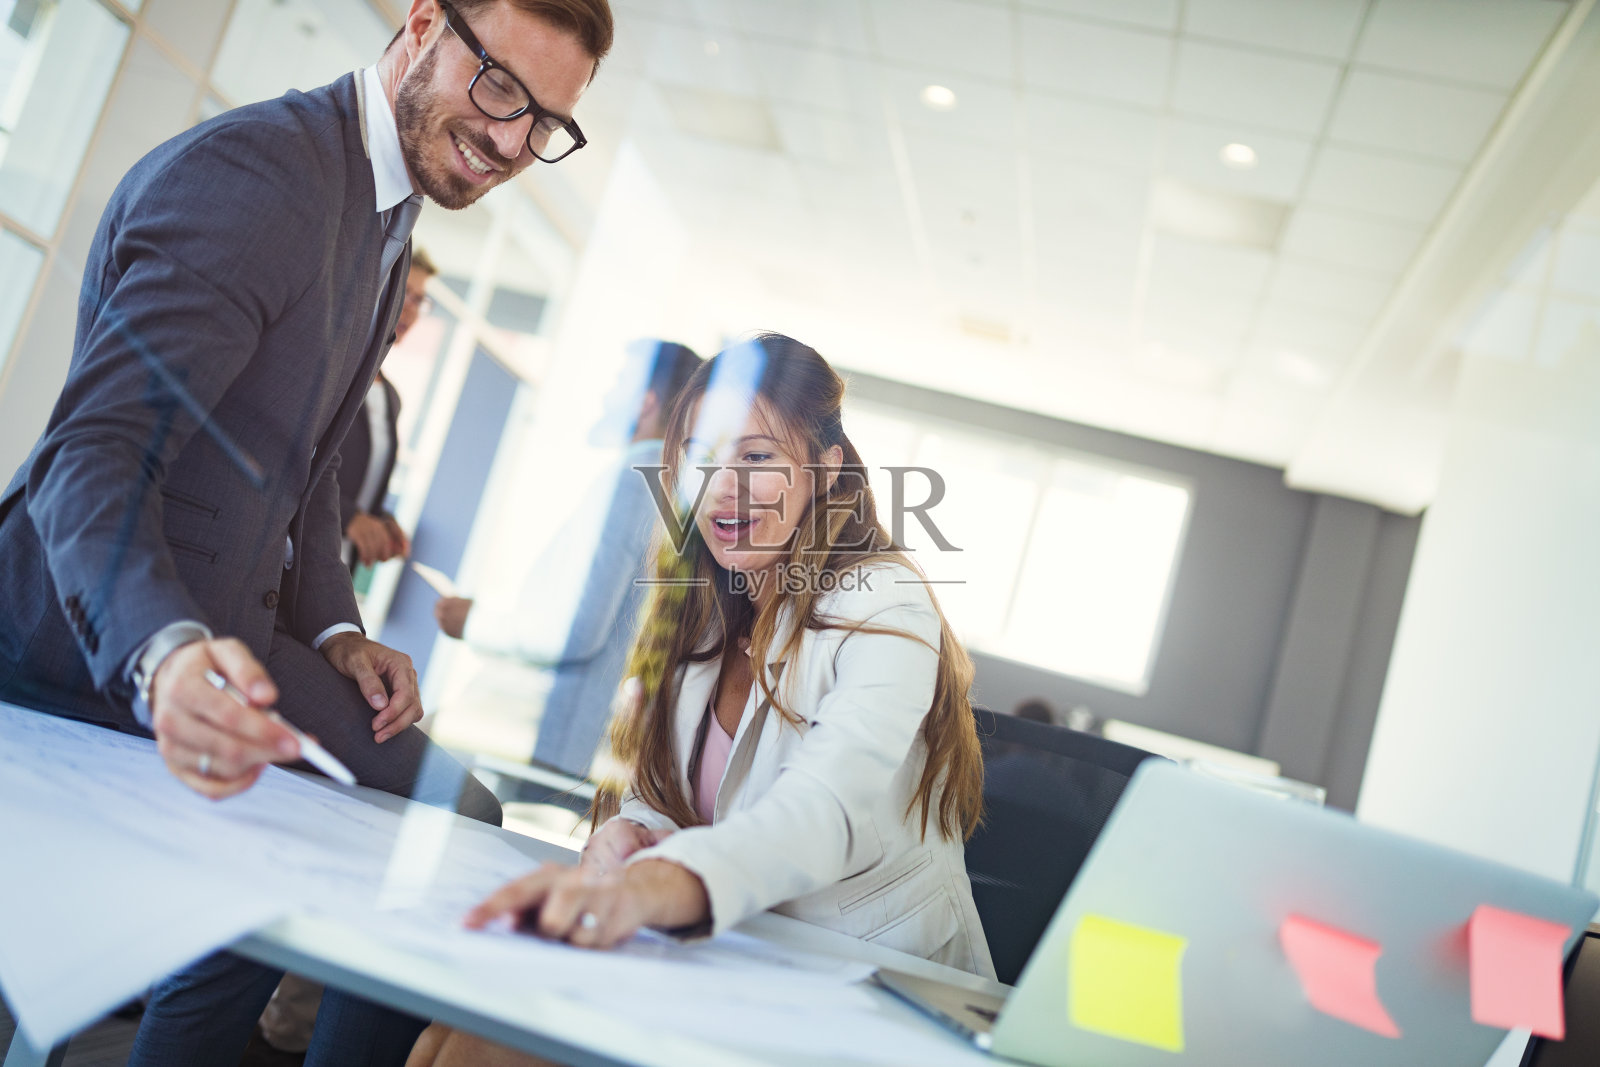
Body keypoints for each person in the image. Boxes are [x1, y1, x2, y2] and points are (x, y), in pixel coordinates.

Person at [0, 1, 613, 1064]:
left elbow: (312, 461)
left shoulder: (386, 202)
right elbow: (89, 456)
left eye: (546, 121)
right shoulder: (258, 179)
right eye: (501, 85)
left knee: (450, 815)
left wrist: (336, 632)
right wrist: (165, 653)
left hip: (241, 623)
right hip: (83, 627)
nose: (514, 140)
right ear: (422, 23)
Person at [407, 334, 994, 1066]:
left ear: (825, 467)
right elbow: (670, 793)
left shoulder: (883, 601)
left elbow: (823, 812)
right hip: (743, 952)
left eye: (755, 458)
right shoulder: (708, 605)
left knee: (485, 1051)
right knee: (446, 1030)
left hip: (864, 989)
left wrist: (652, 888)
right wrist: (630, 832)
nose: (722, 487)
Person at [432, 339, 702, 777]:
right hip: (573, 736)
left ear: (645, 401)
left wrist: (475, 623)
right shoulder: (667, 485)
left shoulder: (635, 482)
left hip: (549, 737)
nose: (605, 397)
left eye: (618, 385)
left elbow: (577, 630)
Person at [340, 248, 439, 571]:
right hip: (287, 554)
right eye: (406, 293)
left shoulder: (391, 397)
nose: (411, 309)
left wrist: (380, 519)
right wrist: (347, 517)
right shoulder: (337, 370)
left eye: (419, 299)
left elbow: (353, 481)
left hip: (339, 565)